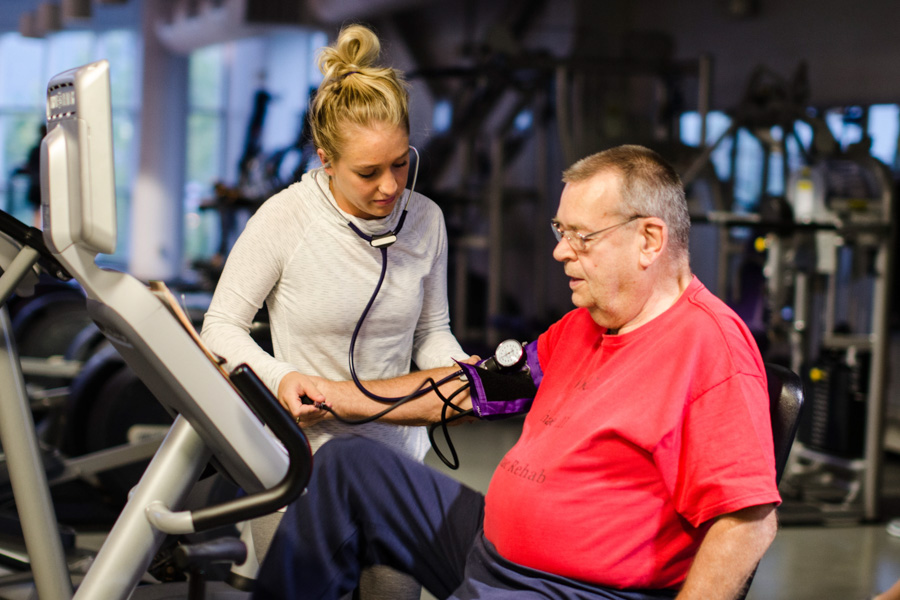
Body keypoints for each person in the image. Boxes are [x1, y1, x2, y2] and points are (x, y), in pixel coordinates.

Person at [252, 145, 782, 600]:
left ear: (649, 239)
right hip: (493, 550)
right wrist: (333, 395)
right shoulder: (584, 325)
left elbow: (746, 524)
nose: (560, 251)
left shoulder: (710, 348)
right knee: (350, 467)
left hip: (567, 588)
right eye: (560, 230)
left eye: (581, 236)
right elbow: (472, 388)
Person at [201, 23, 469, 600]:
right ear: (325, 160)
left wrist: (458, 372)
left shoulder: (426, 221)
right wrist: (281, 376)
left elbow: (432, 331)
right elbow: (219, 327)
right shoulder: (285, 218)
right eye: (368, 173)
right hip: (302, 457)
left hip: (395, 458)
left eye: (400, 164)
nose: (390, 186)